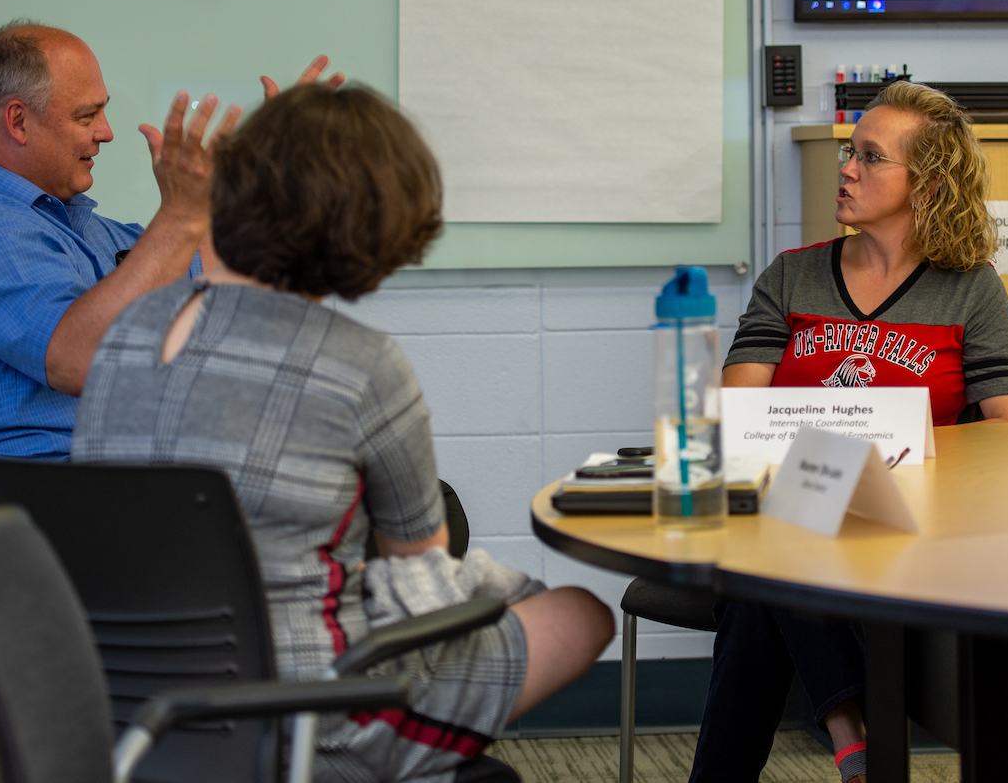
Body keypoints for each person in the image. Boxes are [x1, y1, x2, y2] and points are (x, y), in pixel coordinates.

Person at [69, 83, 615, 782]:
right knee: (580, 613)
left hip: (134, 716)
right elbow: (418, 583)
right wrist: (509, 589)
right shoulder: (362, 363)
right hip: (311, 717)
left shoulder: (125, 332)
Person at [693, 81, 1008, 783]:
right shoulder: (792, 277)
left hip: (908, 517)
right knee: (775, 538)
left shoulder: (971, 287)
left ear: (929, 183)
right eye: (849, 152)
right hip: (791, 503)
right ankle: (857, 736)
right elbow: (735, 412)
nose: (846, 168)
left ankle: (844, 737)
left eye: (870, 157)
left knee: (759, 581)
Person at [0, 20, 341, 459]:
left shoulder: (72, 225)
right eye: (86, 116)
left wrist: (261, 175)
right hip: (70, 509)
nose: (106, 132)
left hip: (136, 486)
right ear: (18, 121)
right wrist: (180, 215)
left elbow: (201, 272)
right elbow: (84, 357)